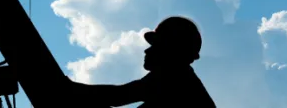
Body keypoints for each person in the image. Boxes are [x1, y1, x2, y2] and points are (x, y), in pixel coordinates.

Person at [69, 16, 216, 107]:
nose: (147, 51)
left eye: (156, 46)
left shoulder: (175, 79)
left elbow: (117, 96)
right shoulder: (180, 80)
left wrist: (68, 88)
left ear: (171, 51)